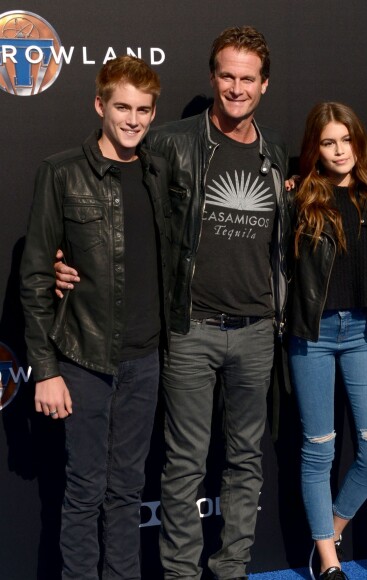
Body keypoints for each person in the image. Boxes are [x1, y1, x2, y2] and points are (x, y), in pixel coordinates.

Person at [57, 26, 290, 579]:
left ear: (264, 85)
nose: (237, 87)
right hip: (190, 328)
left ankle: (231, 569)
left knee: (245, 461)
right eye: (227, 76)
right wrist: (67, 258)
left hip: (258, 330)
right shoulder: (170, 142)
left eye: (248, 78)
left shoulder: (276, 153)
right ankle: (181, 575)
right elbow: (114, 193)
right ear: (213, 77)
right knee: (183, 466)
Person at [20, 56, 172, 579]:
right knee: (84, 491)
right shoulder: (61, 172)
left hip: (145, 360)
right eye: (122, 107)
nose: (133, 119)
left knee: (128, 491)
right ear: (99, 105)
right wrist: (45, 369)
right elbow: (36, 276)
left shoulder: (159, 172)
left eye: (144, 109)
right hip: (84, 359)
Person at [287, 102, 367, 580]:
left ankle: (330, 529)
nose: (339, 150)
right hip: (313, 333)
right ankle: (328, 563)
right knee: (320, 450)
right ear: (316, 147)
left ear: (358, 141)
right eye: (328, 142)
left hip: (365, 332)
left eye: (346, 140)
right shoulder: (297, 197)